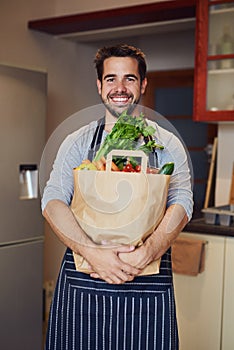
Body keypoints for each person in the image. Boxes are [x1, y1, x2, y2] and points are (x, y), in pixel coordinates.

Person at [42, 44, 193, 350]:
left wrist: (148, 252)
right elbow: (53, 200)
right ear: (99, 86)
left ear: (143, 84)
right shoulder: (78, 141)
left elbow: (182, 202)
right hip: (84, 281)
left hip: (147, 282)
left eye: (130, 79)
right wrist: (93, 253)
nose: (120, 88)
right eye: (111, 79)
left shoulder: (167, 144)